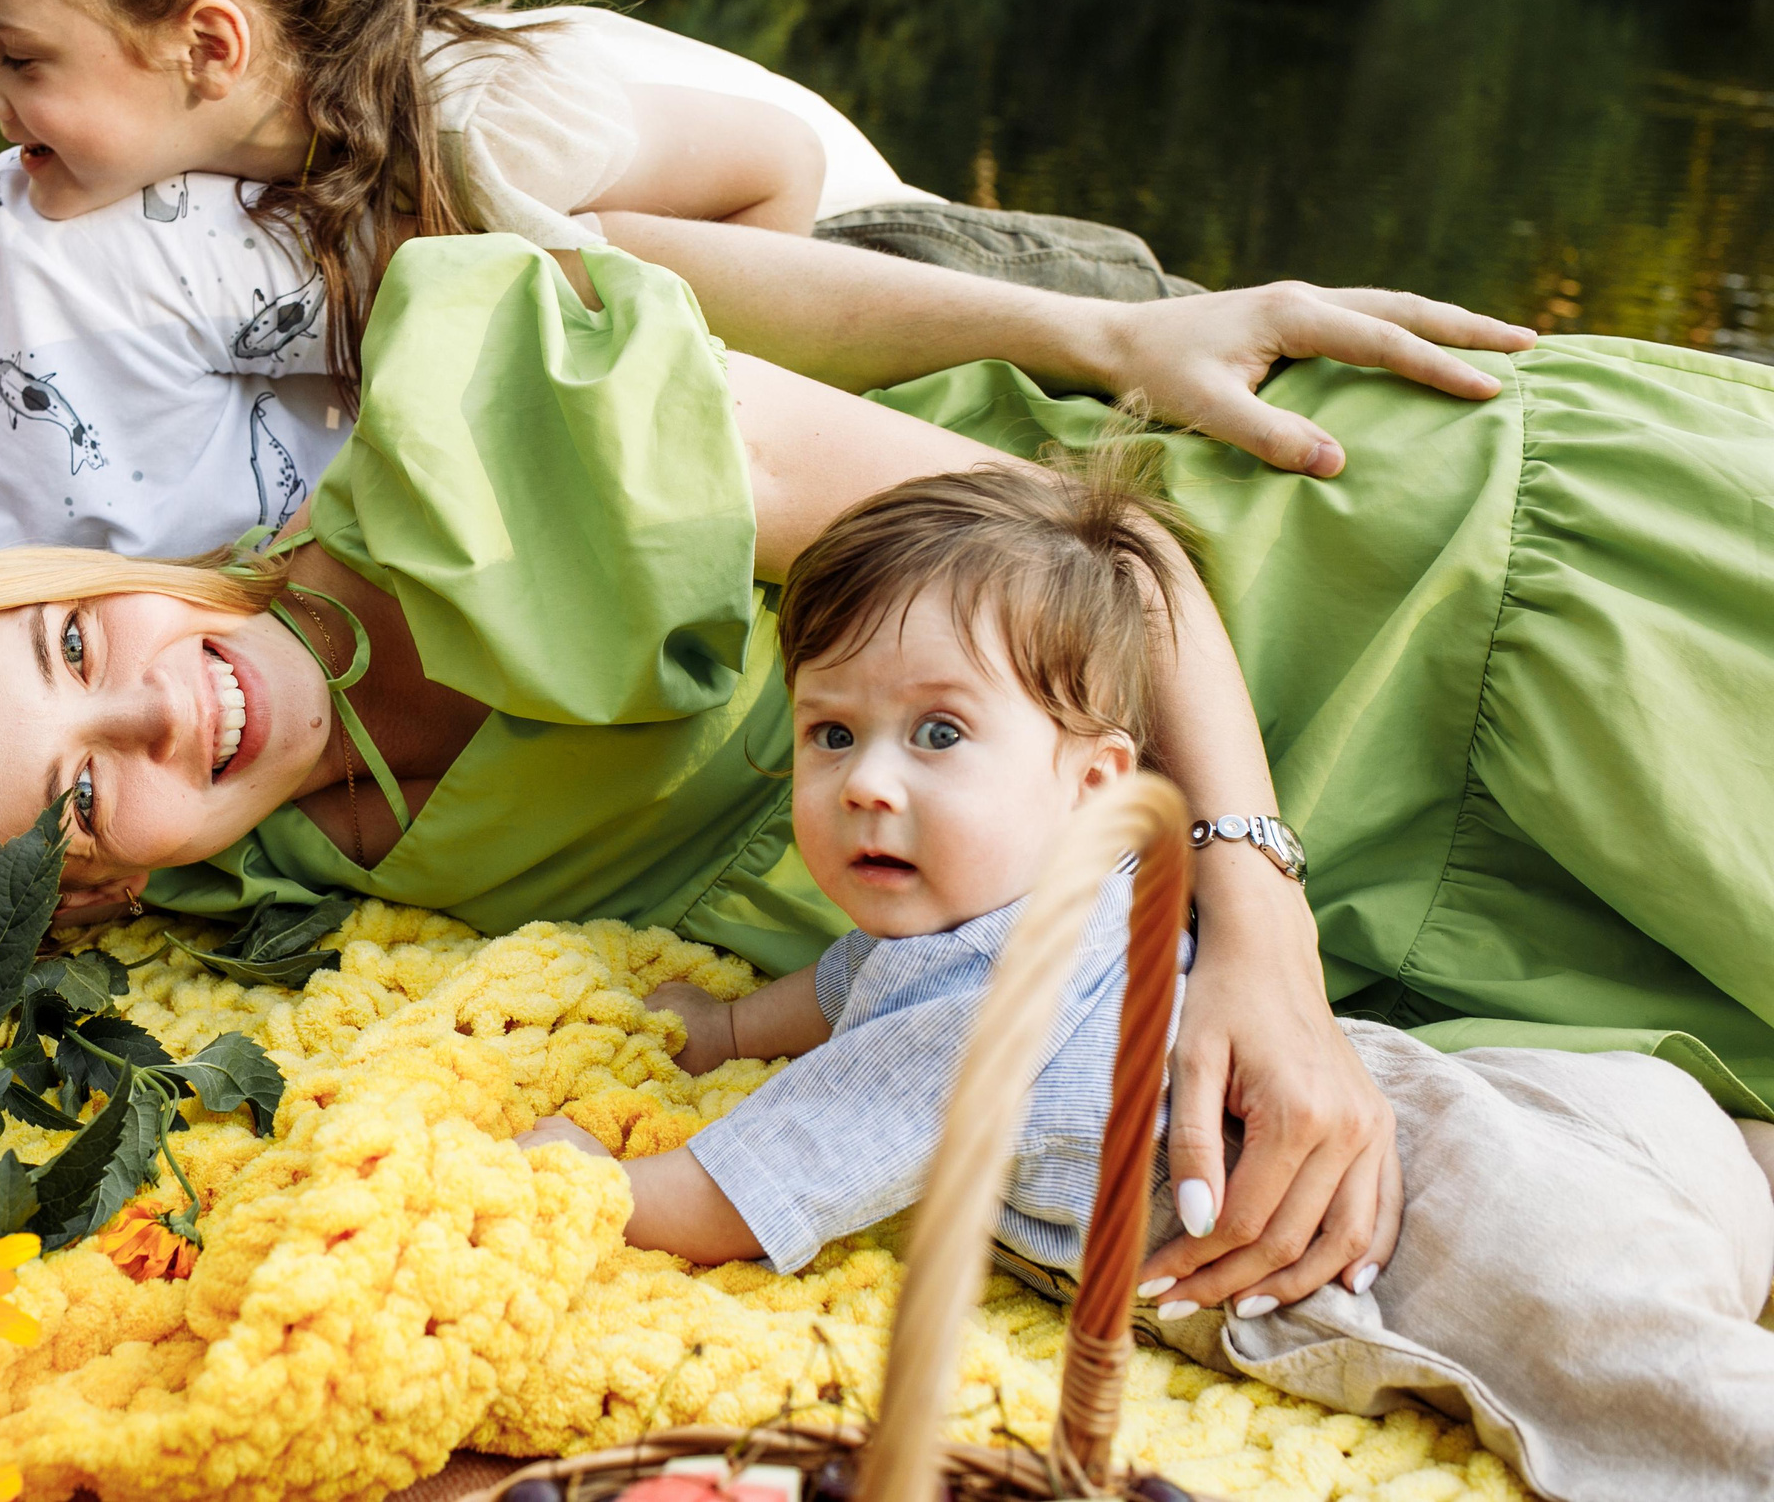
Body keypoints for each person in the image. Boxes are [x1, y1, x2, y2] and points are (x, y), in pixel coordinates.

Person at [0, 228, 1774, 1323]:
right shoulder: (283, 905)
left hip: (1414, 611)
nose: (156, 713)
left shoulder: (470, 414)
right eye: (79, 794)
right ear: (90, 894)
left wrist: (1255, 932)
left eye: (81, 645)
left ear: (93, 573)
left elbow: (1098, 544)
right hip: (1380, 899)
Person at [522, 463, 1774, 1501]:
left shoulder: (975, 1020)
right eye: (830, 731)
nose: (866, 781)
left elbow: (749, 1191)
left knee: (1670, 1414)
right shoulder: (1049, 895)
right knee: (1711, 1187)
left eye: (940, 734)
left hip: (1435, 1243)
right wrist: (731, 1021)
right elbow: (852, 986)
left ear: (1094, 781)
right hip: (1538, 1112)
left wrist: (591, 1180)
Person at [0, 0, 1214, 411]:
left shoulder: (480, 130)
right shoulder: (255, 139)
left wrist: (705, 407)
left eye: (18, 57)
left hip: (915, 270)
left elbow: (773, 164)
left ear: (210, 45)